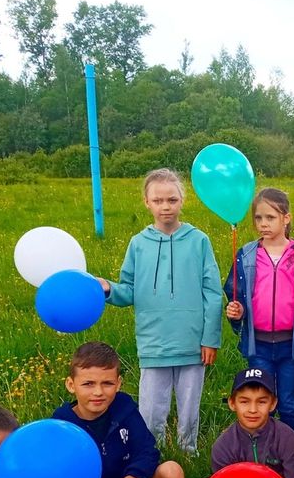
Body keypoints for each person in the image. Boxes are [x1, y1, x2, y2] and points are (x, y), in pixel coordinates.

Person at [96, 168, 223, 454]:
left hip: (192, 342)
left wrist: (210, 338)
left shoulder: (198, 240)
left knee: (190, 406)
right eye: (158, 200)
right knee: (151, 410)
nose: (165, 206)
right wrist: (108, 288)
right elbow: (128, 289)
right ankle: (150, 456)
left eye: (172, 200)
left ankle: (187, 453)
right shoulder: (138, 244)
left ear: (182, 201)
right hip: (153, 342)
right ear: (147, 202)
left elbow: (213, 293)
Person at [52, 342, 185, 478]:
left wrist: (133, 475)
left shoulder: (124, 408)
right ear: (70, 384)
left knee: (172, 471)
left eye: (107, 383)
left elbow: (147, 449)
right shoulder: (61, 426)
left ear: (118, 383)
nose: (98, 392)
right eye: (88, 384)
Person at [224, 187, 294, 432]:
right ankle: (263, 448)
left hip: (290, 346)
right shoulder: (246, 255)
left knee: (288, 403)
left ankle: (288, 450)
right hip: (257, 345)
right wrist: (237, 313)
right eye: (258, 218)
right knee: (262, 401)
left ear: (286, 218)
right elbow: (234, 293)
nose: (263, 224)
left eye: (270, 218)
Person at [211, 367, 294, 478]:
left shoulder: (287, 438)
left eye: (262, 402)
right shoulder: (223, 447)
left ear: (273, 403)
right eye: (244, 402)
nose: (253, 410)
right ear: (232, 403)